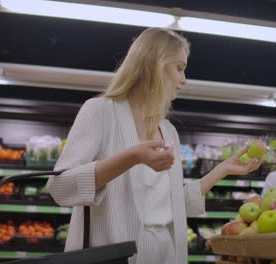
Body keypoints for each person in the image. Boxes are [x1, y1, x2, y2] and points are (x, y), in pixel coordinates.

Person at [46, 27, 262, 264]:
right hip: (116, 254)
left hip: (165, 252)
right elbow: (61, 188)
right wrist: (131, 157)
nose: (184, 80)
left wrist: (223, 170)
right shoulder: (100, 111)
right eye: (179, 68)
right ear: (154, 63)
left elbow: (171, 205)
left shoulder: (167, 130)